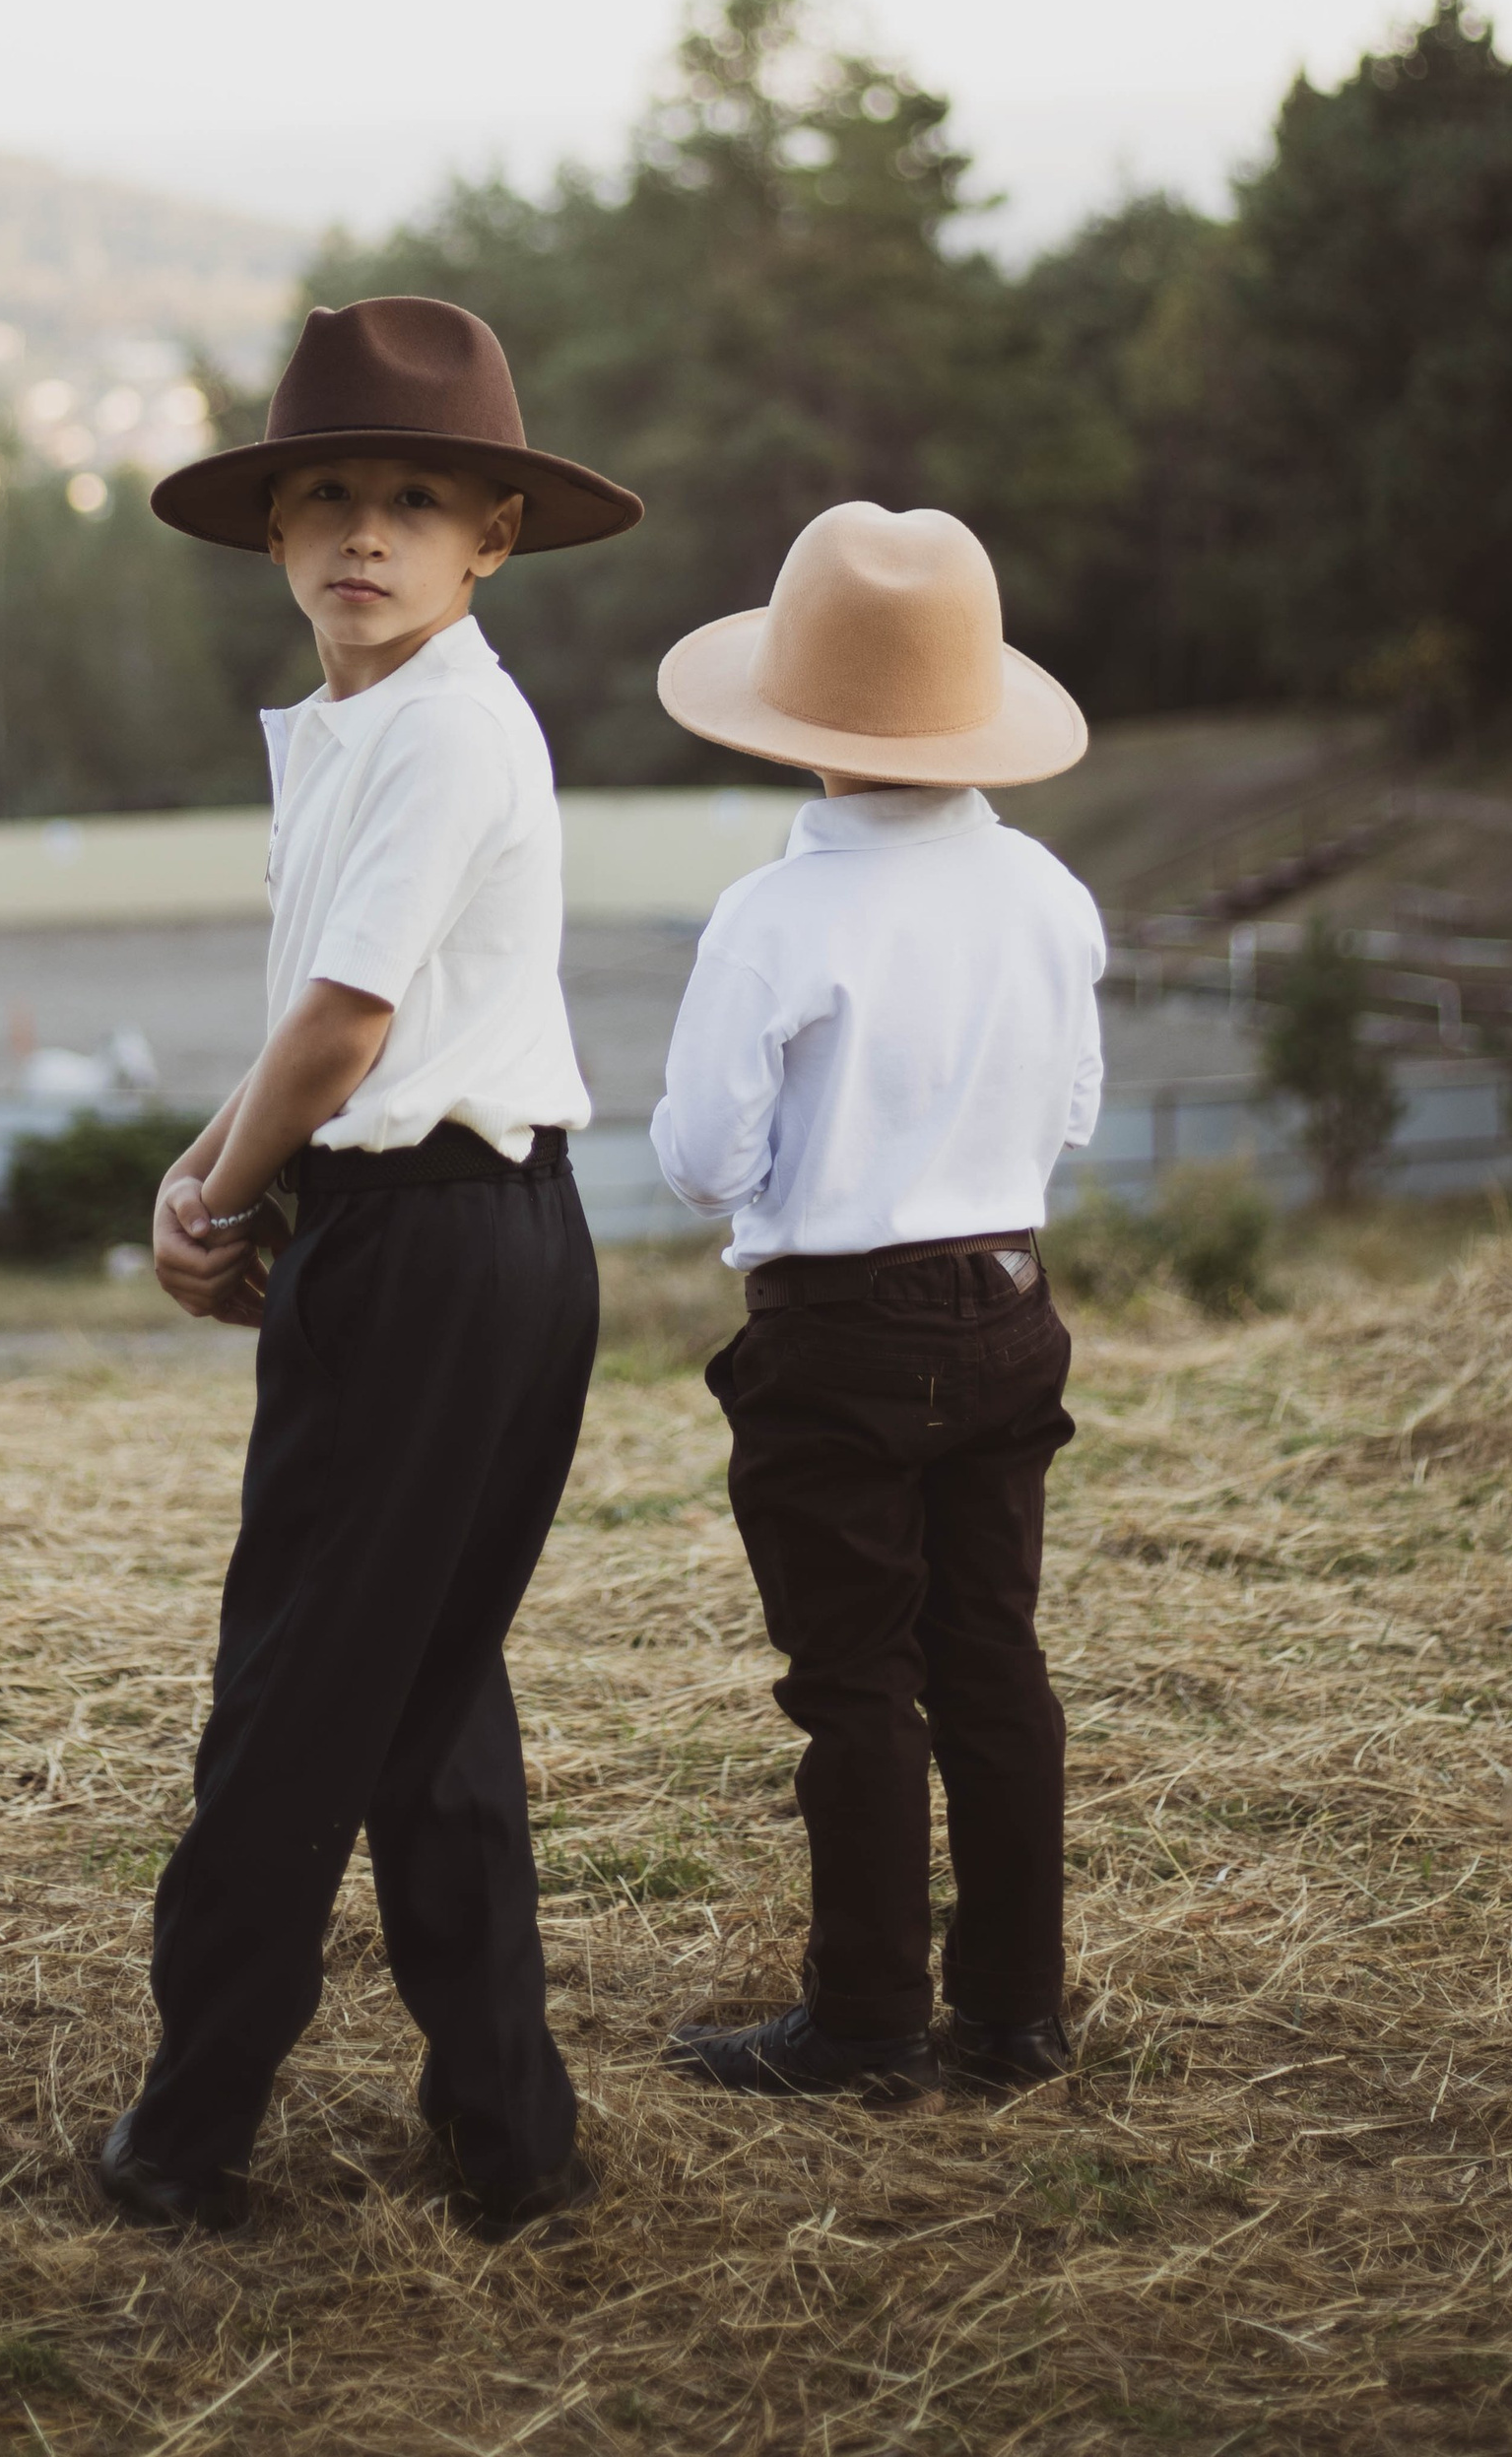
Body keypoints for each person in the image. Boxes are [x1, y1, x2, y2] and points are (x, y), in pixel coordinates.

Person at [90, 295, 641, 2238]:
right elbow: (309, 1043)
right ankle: (511, 2141)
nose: (363, 531)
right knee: (421, 1702)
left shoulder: (441, 732)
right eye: (325, 493)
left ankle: (182, 2140)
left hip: (437, 1241)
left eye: (416, 499)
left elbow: (341, 1027)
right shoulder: (363, 720)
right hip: (442, 1230)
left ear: (492, 536)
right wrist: (220, 1167)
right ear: (268, 530)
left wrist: (227, 1200)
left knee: (292, 1700)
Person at [647, 500, 1102, 2103]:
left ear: (793, 719)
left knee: (854, 1681)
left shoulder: (778, 915)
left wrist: (801, 1170)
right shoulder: (1049, 893)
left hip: (838, 1330)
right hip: (1010, 1300)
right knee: (993, 1656)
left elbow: (704, 1159)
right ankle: (1016, 2013)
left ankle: (866, 2027)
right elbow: (1072, 1114)